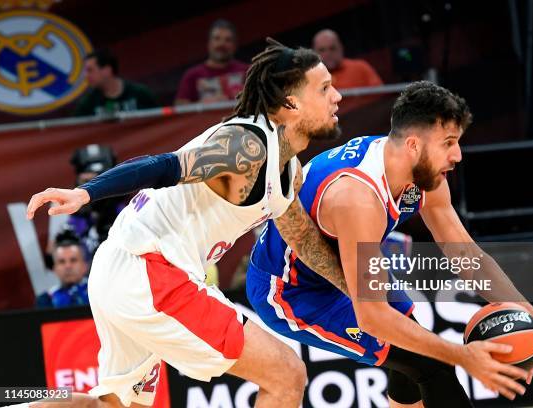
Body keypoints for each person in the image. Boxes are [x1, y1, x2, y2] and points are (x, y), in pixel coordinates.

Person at [26, 39, 343, 408]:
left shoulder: (289, 172)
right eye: (324, 88)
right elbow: (164, 166)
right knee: (286, 373)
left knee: (113, 405)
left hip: (125, 267)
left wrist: (355, 291)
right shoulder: (247, 145)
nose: (337, 96)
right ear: (291, 103)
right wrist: (86, 192)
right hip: (150, 269)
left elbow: (303, 238)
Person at [247, 81, 533, 407]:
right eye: (449, 143)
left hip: (347, 264)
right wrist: (462, 356)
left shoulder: (422, 172)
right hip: (293, 290)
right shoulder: (358, 197)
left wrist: (532, 316)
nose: (457, 155)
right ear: (413, 144)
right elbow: (372, 318)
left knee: (410, 362)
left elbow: (466, 254)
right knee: (431, 363)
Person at [175, 19, 249, 105]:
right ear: (209, 43)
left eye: (228, 40)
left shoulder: (248, 71)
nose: (222, 44)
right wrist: (203, 104)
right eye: (217, 39)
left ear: (235, 45)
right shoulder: (192, 75)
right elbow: (180, 107)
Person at [74, 50, 158, 117]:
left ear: (107, 70)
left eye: (90, 70)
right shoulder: (88, 104)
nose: (86, 76)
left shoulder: (140, 93)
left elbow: (159, 122)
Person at [312, 29, 383, 89]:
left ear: (341, 48)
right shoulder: (308, 79)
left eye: (332, 48)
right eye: (322, 50)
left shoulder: (360, 67)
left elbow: (381, 95)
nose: (327, 54)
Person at [36, 230, 89, 309]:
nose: (68, 266)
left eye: (73, 260)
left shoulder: (98, 294)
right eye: (61, 262)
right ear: (54, 268)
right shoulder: (45, 300)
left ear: (85, 266)